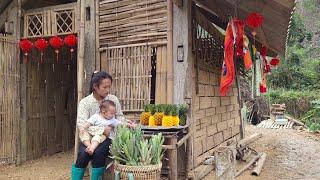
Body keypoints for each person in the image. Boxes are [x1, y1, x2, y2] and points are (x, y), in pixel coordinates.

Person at [71, 71, 129, 180]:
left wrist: (125, 123)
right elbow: (81, 124)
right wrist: (102, 129)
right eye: (105, 87)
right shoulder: (85, 102)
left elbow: (119, 116)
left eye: (109, 87)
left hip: (108, 137)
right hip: (89, 137)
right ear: (95, 86)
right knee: (83, 154)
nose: (108, 90)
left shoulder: (113, 100)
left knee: (98, 153)